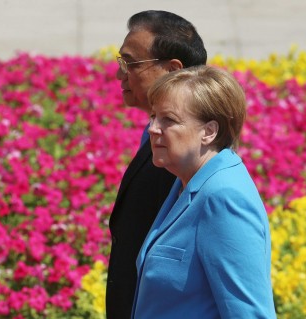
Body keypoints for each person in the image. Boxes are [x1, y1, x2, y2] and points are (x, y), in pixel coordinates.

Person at [131, 65, 277, 318]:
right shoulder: (186, 180)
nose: (153, 128)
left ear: (209, 132)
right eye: (153, 116)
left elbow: (249, 313)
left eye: (169, 120)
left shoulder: (223, 198)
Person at [106, 10, 207, 319]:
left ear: (171, 70)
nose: (120, 74)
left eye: (131, 63)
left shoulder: (189, 157)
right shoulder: (155, 134)